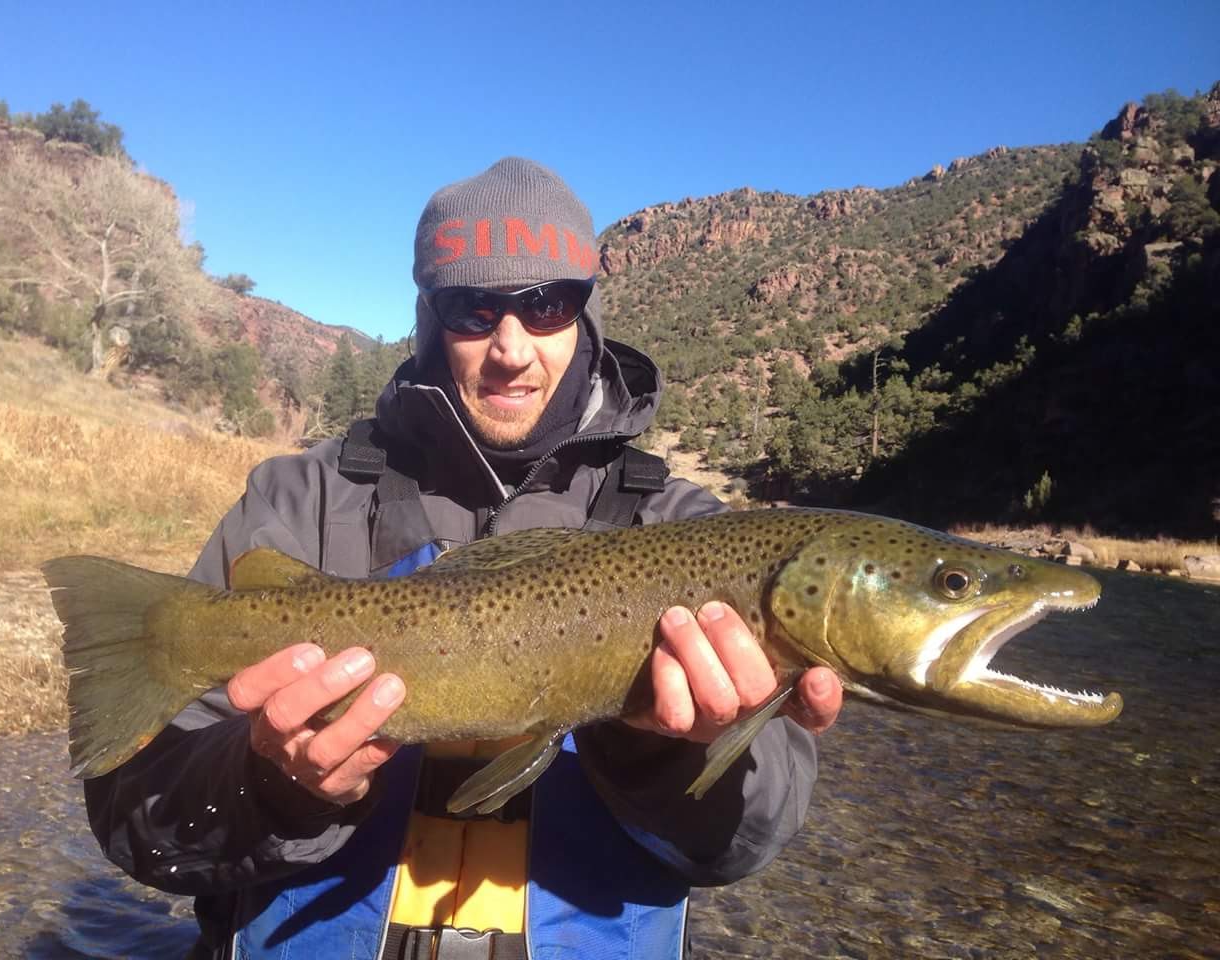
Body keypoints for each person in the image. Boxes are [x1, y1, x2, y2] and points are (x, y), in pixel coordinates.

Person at [83, 157, 844, 959]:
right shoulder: (297, 501)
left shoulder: (684, 527)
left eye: (546, 304)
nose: (510, 347)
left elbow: (747, 845)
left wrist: (659, 750)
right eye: (473, 309)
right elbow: (140, 829)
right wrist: (272, 785)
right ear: (429, 317)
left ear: (587, 311)